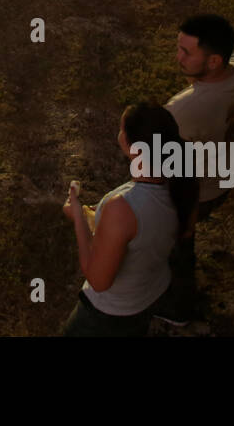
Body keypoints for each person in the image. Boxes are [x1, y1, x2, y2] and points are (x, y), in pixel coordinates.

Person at [153, 15, 234, 326]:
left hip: (196, 190)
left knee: (178, 246)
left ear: (213, 61)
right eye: (179, 48)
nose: (178, 57)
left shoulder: (182, 109)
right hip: (224, 173)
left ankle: (179, 307)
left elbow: (161, 162)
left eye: (187, 52)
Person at [61, 103, 197, 337]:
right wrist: (105, 221)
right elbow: (178, 233)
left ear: (134, 148)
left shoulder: (123, 208)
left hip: (112, 313)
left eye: (122, 129)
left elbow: (98, 280)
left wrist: (79, 219)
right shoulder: (185, 182)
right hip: (152, 291)